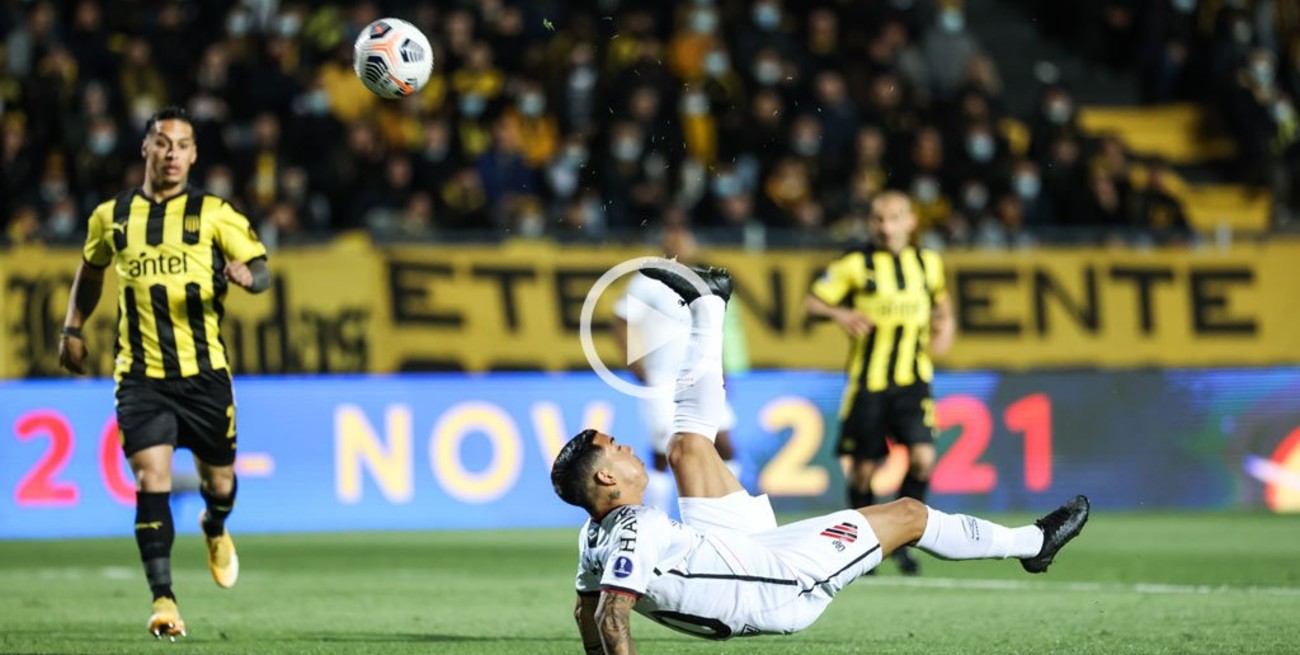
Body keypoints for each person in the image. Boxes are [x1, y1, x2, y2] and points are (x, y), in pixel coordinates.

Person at [551, 260, 1089, 650]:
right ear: (606, 478)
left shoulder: (594, 536)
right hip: (779, 586)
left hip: (731, 555)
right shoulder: (638, 529)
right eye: (615, 449)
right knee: (908, 514)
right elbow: (612, 616)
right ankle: (1033, 543)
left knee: (687, 448)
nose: (625, 447)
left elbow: (586, 612)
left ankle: (708, 304)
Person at [58, 106, 271, 640]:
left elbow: (262, 268)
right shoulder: (111, 216)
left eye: (182, 145)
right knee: (150, 479)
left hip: (205, 374)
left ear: (194, 155)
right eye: (162, 142)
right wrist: (72, 328)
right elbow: (91, 268)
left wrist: (250, 277)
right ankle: (163, 600)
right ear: (146, 148)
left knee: (219, 483)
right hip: (140, 376)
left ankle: (214, 524)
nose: (172, 153)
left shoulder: (214, 213)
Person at [804, 190, 955, 575]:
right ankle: (861, 549)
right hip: (868, 384)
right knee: (863, 471)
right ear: (871, 222)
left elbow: (942, 305)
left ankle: (902, 541)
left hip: (913, 381)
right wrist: (841, 314)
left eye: (894, 218)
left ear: (911, 221)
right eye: (879, 219)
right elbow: (812, 302)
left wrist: (946, 328)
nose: (886, 227)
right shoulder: (856, 263)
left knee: (923, 459)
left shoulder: (928, 263)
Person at [611, 225, 741, 515]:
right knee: (663, 452)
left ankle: (728, 509)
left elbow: (712, 330)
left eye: (684, 240)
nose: (680, 246)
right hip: (663, 378)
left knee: (724, 444)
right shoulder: (646, 282)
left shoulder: (704, 280)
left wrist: (721, 370)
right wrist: (632, 361)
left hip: (701, 375)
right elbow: (621, 319)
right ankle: (656, 516)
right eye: (674, 241)